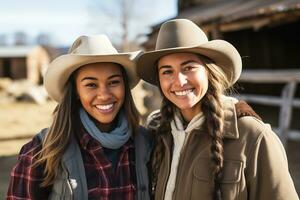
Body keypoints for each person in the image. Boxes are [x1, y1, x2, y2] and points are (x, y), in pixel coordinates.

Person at [136, 19, 298, 200]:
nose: (179, 81)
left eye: (189, 67)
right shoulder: (156, 130)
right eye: (167, 71)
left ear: (209, 71)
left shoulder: (253, 136)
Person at [7, 34, 152, 200]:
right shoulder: (41, 151)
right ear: (75, 91)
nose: (104, 95)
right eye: (91, 85)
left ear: (125, 87)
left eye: (113, 82)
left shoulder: (146, 143)